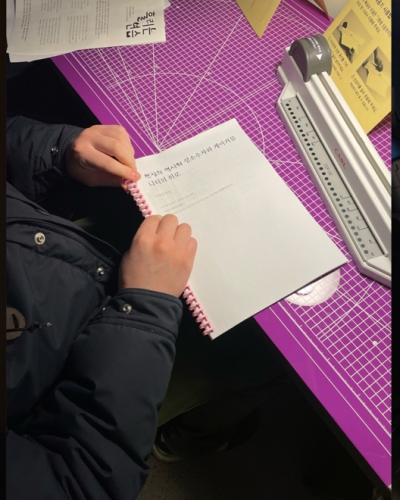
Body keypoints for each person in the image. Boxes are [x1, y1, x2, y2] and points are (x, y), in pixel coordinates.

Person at [6, 116, 287, 499]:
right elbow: (83, 482)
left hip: (64, 245)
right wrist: (145, 308)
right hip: (82, 372)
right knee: (266, 358)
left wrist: (56, 151)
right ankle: (180, 440)